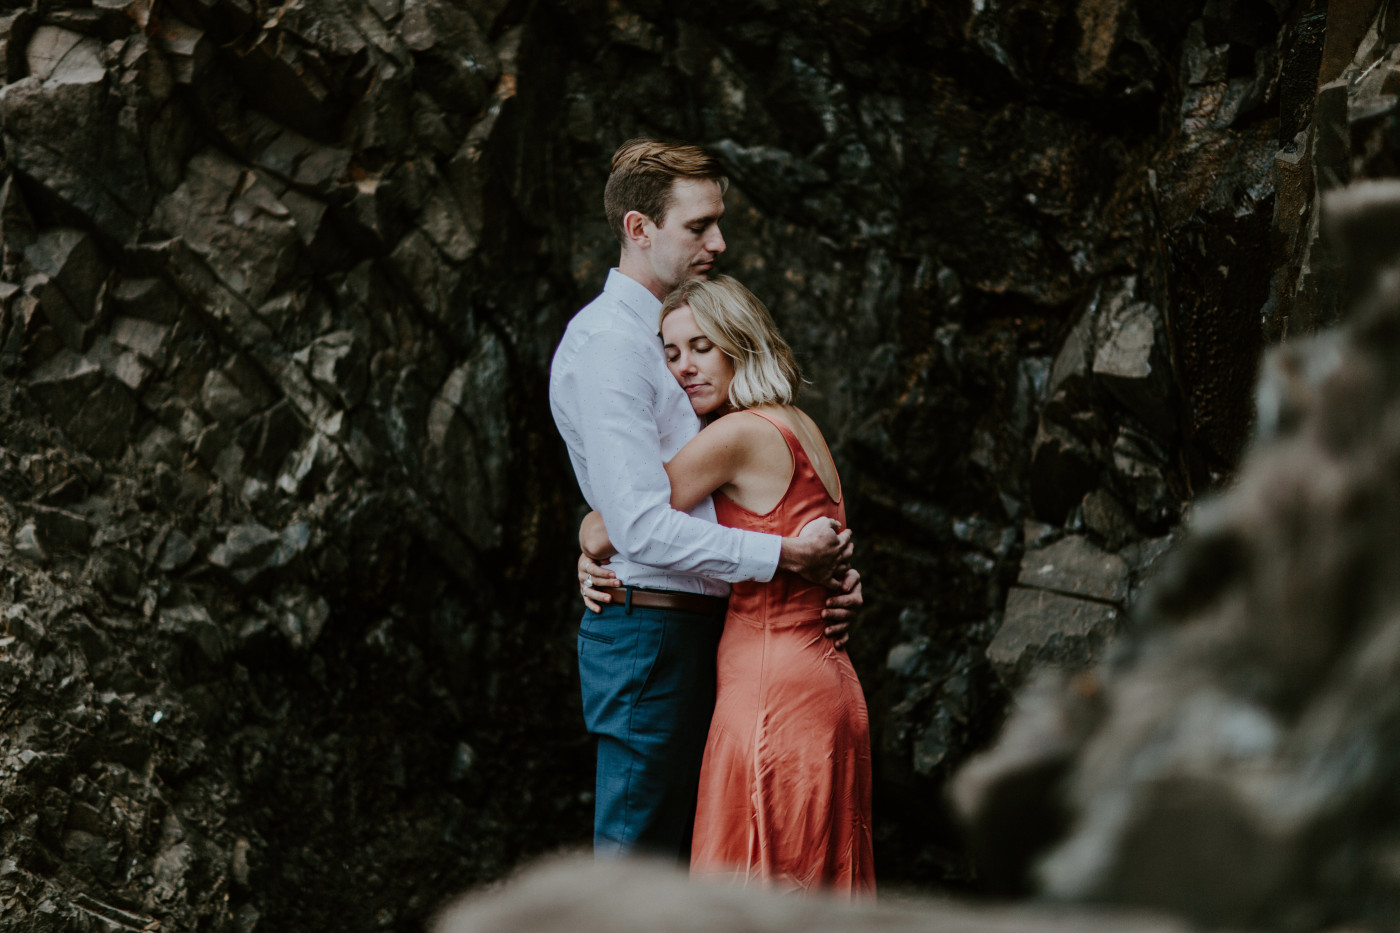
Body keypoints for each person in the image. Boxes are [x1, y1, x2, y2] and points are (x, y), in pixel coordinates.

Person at [548, 139, 863, 863]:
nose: (718, 242)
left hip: (715, 633)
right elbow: (639, 523)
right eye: (699, 227)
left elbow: (657, 509)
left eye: (717, 223)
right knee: (636, 869)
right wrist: (785, 556)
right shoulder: (611, 345)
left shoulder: (669, 339)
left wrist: (823, 577)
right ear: (639, 229)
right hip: (651, 635)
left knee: (694, 865)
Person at [580, 275, 875, 896]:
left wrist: (585, 543)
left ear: (740, 344)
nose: (684, 368)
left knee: (753, 892)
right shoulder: (801, 427)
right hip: (828, 685)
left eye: (701, 348)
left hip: (771, 695)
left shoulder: (735, 436)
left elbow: (615, 527)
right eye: (670, 353)